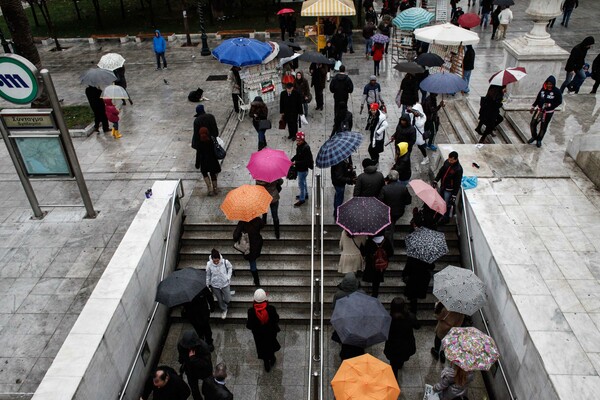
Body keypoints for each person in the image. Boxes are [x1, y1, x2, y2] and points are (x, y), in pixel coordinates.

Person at [331, 272, 366, 359]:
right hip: (357, 321)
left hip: (344, 321)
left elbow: (334, 307)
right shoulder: (361, 293)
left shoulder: (339, 294)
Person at [246, 288, 281, 372]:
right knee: (271, 346)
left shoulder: (251, 311)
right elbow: (276, 319)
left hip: (259, 336)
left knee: (262, 348)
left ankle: (266, 364)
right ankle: (272, 359)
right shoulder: (271, 309)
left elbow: (249, 325)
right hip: (270, 333)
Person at [384, 296, 416, 377]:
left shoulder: (388, 319)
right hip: (406, 344)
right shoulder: (410, 317)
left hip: (393, 346)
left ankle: (394, 378)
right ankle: (400, 364)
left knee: (393, 365)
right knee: (402, 358)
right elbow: (417, 326)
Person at [528, 76, 562, 148]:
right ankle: (534, 136)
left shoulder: (557, 91)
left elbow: (559, 101)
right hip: (539, 110)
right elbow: (538, 98)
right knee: (533, 123)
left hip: (548, 112)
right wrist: (533, 106)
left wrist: (550, 105)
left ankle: (539, 139)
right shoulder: (543, 89)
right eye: (548, 84)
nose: (549, 85)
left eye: (550, 84)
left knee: (543, 126)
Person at [177, 332, 213, 400]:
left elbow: (205, 364)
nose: (188, 348)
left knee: (209, 387)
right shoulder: (181, 345)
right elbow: (181, 355)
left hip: (204, 371)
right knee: (194, 389)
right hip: (190, 371)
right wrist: (182, 361)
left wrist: (193, 359)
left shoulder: (204, 347)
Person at [403, 256, 435, 327]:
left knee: (413, 296)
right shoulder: (427, 256)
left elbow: (407, 267)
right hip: (423, 278)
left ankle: (413, 315)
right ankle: (413, 315)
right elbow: (432, 267)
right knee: (416, 295)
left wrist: (404, 275)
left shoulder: (412, 256)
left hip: (413, 277)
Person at [233, 217, 265, 286]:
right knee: (254, 258)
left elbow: (235, 236)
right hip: (257, 244)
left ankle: (256, 280)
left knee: (252, 263)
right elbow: (262, 225)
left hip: (249, 247)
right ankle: (256, 280)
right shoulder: (257, 219)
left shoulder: (242, 222)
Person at [181, 288, 215, 352]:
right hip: (192, 314)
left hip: (202, 313)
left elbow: (209, 296)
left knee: (206, 329)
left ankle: (209, 342)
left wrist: (212, 306)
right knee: (198, 329)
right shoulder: (183, 292)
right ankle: (201, 339)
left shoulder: (202, 288)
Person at [379, 170, 412, 234]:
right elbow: (408, 201)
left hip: (388, 212)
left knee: (391, 222)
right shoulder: (403, 188)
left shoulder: (384, 188)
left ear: (389, 178)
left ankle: (390, 230)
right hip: (399, 212)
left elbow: (380, 202)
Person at [433, 151, 463, 221]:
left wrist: (454, 195)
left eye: (451, 160)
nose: (449, 161)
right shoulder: (447, 162)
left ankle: (445, 217)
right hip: (443, 186)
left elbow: (457, 183)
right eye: (449, 159)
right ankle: (439, 212)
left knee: (447, 204)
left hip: (449, 190)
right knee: (440, 199)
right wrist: (436, 180)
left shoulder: (458, 169)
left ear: (456, 159)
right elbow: (441, 171)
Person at [192, 127, 221, 196]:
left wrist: (197, 164)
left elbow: (198, 154)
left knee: (205, 174)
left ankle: (209, 189)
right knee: (213, 174)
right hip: (212, 160)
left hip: (203, 161)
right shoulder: (211, 140)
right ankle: (215, 189)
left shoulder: (199, 142)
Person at [206, 249, 232, 320]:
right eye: (215, 261)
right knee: (220, 300)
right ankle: (224, 309)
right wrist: (207, 284)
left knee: (227, 299)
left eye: (218, 260)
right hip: (215, 285)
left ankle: (225, 304)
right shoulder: (209, 265)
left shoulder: (225, 262)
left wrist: (228, 277)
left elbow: (230, 268)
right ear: (212, 259)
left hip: (225, 283)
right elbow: (208, 275)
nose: (216, 262)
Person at [291, 131, 314, 207]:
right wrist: (292, 159)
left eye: (299, 140)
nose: (298, 142)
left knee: (301, 184)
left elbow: (306, 161)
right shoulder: (300, 146)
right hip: (301, 169)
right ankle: (305, 194)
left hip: (303, 169)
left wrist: (295, 163)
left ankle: (302, 199)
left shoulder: (306, 148)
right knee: (304, 182)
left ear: (303, 140)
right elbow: (298, 155)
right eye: (297, 140)